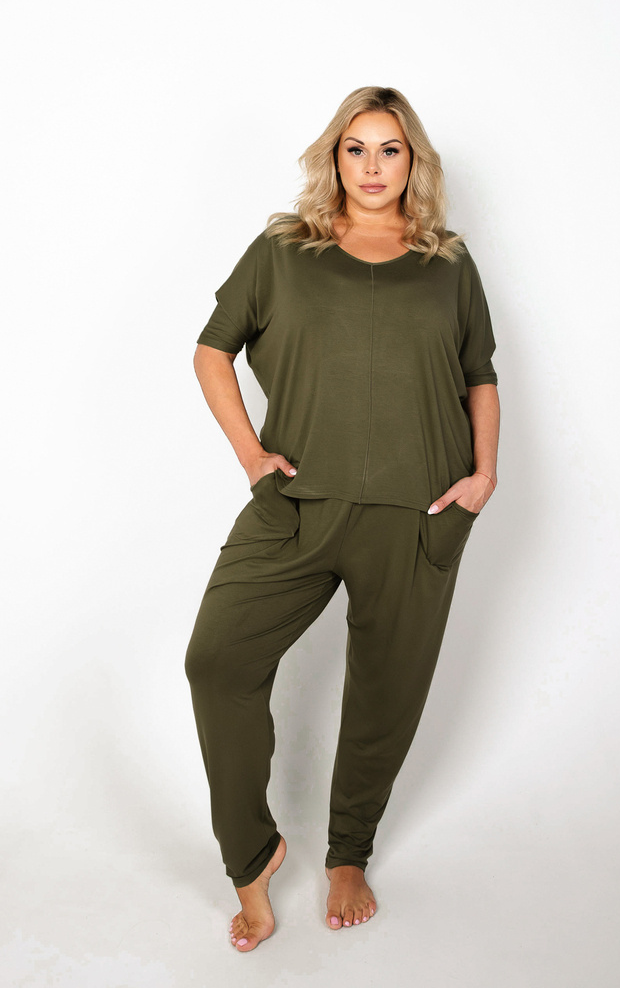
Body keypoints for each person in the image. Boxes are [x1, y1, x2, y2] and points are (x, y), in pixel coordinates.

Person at [185, 85, 500, 953]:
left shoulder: (447, 260)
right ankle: (252, 859)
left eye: (390, 149)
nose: (372, 165)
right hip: (295, 507)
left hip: (418, 512)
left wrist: (483, 477)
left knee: (384, 693)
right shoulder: (285, 249)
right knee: (217, 662)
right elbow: (212, 350)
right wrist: (253, 456)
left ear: (413, 162)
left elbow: (479, 371)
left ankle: (348, 854)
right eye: (355, 148)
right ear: (334, 157)